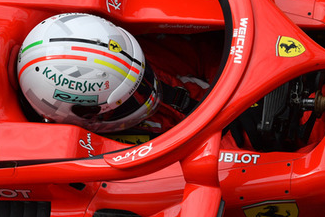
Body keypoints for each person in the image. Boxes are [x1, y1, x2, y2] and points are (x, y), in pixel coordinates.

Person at [17, 13, 213, 135]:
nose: (145, 95)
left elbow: (208, 54)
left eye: (142, 78)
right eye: (122, 103)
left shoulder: (126, 60)